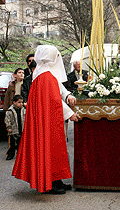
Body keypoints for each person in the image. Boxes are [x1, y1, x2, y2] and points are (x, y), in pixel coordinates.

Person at [12, 45, 80, 194]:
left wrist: (68, 96)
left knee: (55, 151)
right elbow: (55, 100)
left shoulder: (42, 74)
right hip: (49, 122)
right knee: (52, 151)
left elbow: (59, 92)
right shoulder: (46, 76)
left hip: (49, 120)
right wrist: (70, 114)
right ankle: (51, 183)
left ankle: (57, 180)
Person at [4, 95, 26, 160]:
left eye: (22, 102)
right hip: (13, 130)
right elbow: (7, 120)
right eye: (19, 102)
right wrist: (8, 127)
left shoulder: (23, 110)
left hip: (21, 129)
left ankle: (20, 155)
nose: (21, 104)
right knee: (12, 144)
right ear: (14, 102)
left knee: (20, 144)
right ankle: (11, 154)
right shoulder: (10, 111)